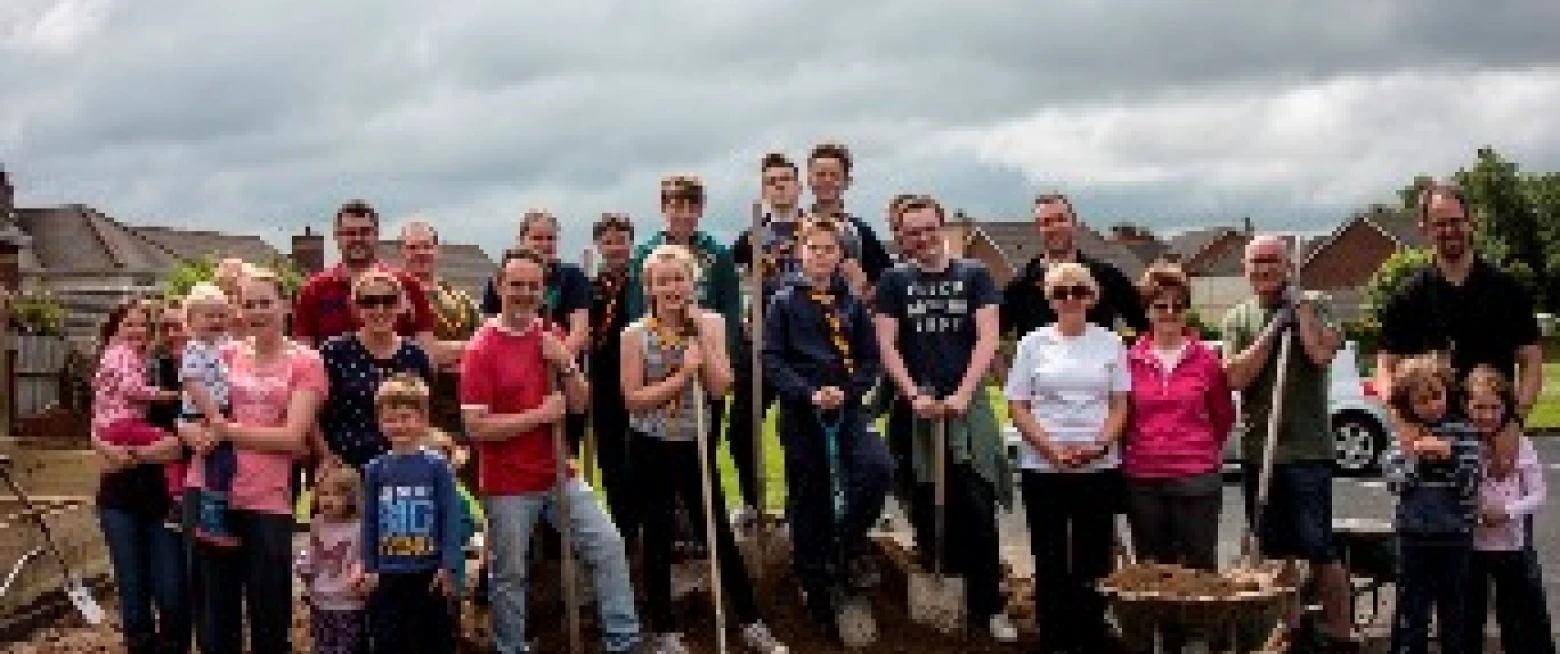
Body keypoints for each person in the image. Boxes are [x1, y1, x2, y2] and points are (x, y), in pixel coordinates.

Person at [461, 248, 641, 654]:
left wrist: (568, 366)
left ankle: (623, 640)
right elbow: (476, 427)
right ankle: (511, 646)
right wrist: (538, 416)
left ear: (544, 291)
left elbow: (579, 404)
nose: (524, 293)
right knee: (509, 573)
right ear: (499, 287)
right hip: (508, 484)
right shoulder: (481, 349)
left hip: (559, 472)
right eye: (516, 285)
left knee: (608, 545)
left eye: (533, 286)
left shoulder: (551, 337)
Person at [621, 244, 790, 653]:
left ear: (692, 282)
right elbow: (634, 399)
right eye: (663, 281)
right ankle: (664, 630)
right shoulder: (635, 335)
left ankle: (751, 621)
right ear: (650, 288)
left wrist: (702, 341)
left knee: (715, 531)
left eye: (679, 278)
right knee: (658, 533)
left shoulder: (710, 323)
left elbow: (721, 386)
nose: (672, 287)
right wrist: (682, 377)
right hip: (650, 444)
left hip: (694, 442)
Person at [873, 195, 1017, 643]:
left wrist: (964, 392)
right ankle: (944, 595)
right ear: (903, 235)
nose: (922, 238)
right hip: (915, 406)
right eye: (912, 231)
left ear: (942, 227)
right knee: (926, 503)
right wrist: (912, 393)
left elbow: (987, 337)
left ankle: (989, 605)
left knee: (976, 503)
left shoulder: (972, 274)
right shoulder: (895, 281)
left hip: (965, 406)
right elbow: (887, 345)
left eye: (928, 228)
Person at [1221, 235, 1356, 649]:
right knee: (1276, 550)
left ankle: (1340, 634)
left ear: (1288, 266)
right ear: (1246, 269)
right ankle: (1291, 630)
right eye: (1256, 262)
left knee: (1319, 547)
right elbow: (1236, 377)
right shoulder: (1238, 318)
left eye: (1272, 261)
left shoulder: (1317, 304)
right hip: (1260, 451)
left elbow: (1319, 353)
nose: (1264, 269)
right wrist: (1271, 331)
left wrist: (1299, 313)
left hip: (1307, 450)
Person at [183, 268, 327, 654]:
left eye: (266, 303)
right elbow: (187, 409)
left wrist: (226, 429)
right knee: (215, 612)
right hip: (211, 490)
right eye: (249, 304)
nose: (258, 311)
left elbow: (292, 437)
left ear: (285, 306)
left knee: (269, 610)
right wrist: (188, 431)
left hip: (267, 498)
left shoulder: (306, 362)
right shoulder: (224, 353)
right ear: (238, 310)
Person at [762, 219, 891, 641]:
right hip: (803, 411)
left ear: (841, 256)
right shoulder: (783, 302)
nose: (821, 256)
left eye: (829, 249)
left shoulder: (851, 304)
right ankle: (812, 578)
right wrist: (808, 393)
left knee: (876, 469)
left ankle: (847, 544)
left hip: (848, 406)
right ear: (801, 253)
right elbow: (773, 359)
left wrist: (847, 391)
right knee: (810, 492)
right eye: (813, 248)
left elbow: (870, 360)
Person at [1376, 181, 1544, 473]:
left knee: (1501, 517)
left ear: (1471, 222)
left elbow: (1531, 361)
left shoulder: (1507, 290)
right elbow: (1384, 367)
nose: (1449, 231)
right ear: (1425, 229)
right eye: (1439, 224)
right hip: (1429, 439)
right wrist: (1403, 423)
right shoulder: (1408, 297)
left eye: (1456, 222)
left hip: (1494, 436)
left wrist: (1515, 423)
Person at [1005, 261, 1130, 653]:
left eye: (1078, 291)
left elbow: (1119, 405)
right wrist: (1049, 448)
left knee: (1093, 557)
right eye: (1061, 293)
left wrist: (1100, 444)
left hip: (1097, 465)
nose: (1070, 299)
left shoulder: (1111, 343)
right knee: (1050, 554)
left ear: (1091, 297)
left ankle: (1090, 635)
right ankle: (1055, 637)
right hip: (1044, 466)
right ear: (1050, 300)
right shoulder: (1032, 344)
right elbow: (1018, 404)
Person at [92, 298, 192, 654]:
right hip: (118, 499)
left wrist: (130, 456)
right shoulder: (121, 362)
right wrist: (105, 448)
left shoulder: (184, 374)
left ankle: (174, 645)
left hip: (165, 503)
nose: (167, 334)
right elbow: (95, 430)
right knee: (131, 588)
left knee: (171, 589)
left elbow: (180, 447)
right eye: (162, 327)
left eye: (170, 327)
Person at [1122, 262, 1236, 571]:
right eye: (1161, 305)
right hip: (1144, 479)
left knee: (1198, 570)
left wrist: (1198, 451)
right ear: (1147, 310)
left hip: (1196, 478)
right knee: (1152, 571)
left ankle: (1199, 623)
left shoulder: (1207, 361)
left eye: (1178, 305)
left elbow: (1223, 416)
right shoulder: (1129, 360)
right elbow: (1124, 418)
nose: (1170, 312)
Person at [1383, 355, 1481, 654]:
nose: (1432, 405)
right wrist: (1416, 462)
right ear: (1408, 404)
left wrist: (1450, 458)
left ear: (1447, 392)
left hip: (1455, 535)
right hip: (1413, 536)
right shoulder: (1403, 438)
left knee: (1455, 610)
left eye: (1436, 396)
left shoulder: (1463, 434)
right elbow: (1395, 484)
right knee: (1413, 611)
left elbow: (1471, 484)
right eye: (1422, 401)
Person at [361, 373, 462, 654]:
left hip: (429, 571)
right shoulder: (374, 469)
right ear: (380, 422)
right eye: (391, 419)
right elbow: (369, 521)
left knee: (433, 638)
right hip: (388, 572)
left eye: (406, 417)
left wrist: (448, 563)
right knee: (390, 639)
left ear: (423, 419)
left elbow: (449, 516)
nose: (399, 425)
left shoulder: (437, 466)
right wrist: (369, 566)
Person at [1463, 366, 1555, 654]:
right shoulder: (1461, 444)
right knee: (1468, 618)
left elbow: (1539, 494)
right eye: (1479, 407)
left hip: (1511, 545)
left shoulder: (1522, 445)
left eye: (1494, 407)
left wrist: (1509, 511)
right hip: (1471, 547)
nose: (1487, 415)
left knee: (1518, 617)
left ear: (1506, 408)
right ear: (1466, 406)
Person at [318, 271, 435, 470]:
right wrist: (325, 455)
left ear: (401, 306)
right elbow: (313, 413)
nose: (379, 309)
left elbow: (425, 415)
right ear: (356, 308)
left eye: (388, 301)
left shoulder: (415, 356)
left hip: (400, 469)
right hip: (344, 470)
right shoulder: (334, 352)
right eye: (369, 302)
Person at [1000, 192, 1148, 345]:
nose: (1055, 227)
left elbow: (1146, 326)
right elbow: (989, 337)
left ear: (1075, 223)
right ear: (1037, 229)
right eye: (1046, 222)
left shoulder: (1107, 277)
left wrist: (1123, 356)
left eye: (1061, 219)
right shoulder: (1020, 287)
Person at [398, 220, 481, 441]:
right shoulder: (391, 299)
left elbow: (485, 347)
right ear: (402, 252)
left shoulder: (461, 299)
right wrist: (463, 350)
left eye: (426, 246)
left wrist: (445, 351)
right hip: (414, 408)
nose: (421, 253)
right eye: (413, 247)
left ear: (437, 250)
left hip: (463, 404)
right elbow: (423, 354)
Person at [590, 213, 641, 547]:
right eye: (608, 242)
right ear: (598, 246)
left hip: (637, 373)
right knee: (609, 453)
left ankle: (645, 521)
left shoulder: (642, 283)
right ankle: (622, 527)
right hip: (603, 378)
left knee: (638, 452)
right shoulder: (590, 288)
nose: (615, 248)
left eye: (621, 240)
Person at [180, 283, 237, 547]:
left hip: (220, 411)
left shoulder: (223, 344)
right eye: (208, 316)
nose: (216, 321)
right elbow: (193, 383)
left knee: (225, 465)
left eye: (220, 315)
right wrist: (214, 415)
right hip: (204, 413)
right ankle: (212, 524)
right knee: (219, 465)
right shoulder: (195, 349)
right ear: (190, 320)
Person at [296, 465, 368, 654]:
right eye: (324, 493)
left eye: (336, 494)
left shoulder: (359, 527)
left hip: (349, 602)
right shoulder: (317, 523)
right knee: (323, 645)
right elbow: (312, 551)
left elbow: (365, 558)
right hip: (320, 599)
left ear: (351, 498)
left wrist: (359, 576)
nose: (328, 499)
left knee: (348, 647)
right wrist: (304, 565)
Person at [804, 142, 893, 289]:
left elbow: (887, 285)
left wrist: (863, 284)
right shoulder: (794, 229)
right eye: (820, 174)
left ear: (847, 182)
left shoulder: (860, 232)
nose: (827, 180)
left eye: (834, 175)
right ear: (809, 180)